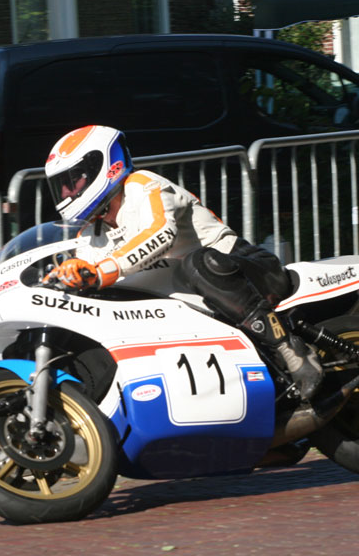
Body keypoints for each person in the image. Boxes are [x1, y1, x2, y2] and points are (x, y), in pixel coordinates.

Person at [43, 125, 323, 400]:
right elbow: (85, 273)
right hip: (200, 299)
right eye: (61, 185)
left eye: (72, 180)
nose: (67, 191)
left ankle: (290, 348)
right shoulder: (90, 234)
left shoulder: (141, 186)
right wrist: (65, 277)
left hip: (244, 267)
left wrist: (102, 270)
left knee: (197, 264)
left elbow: (160, 233)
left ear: (103, 165)